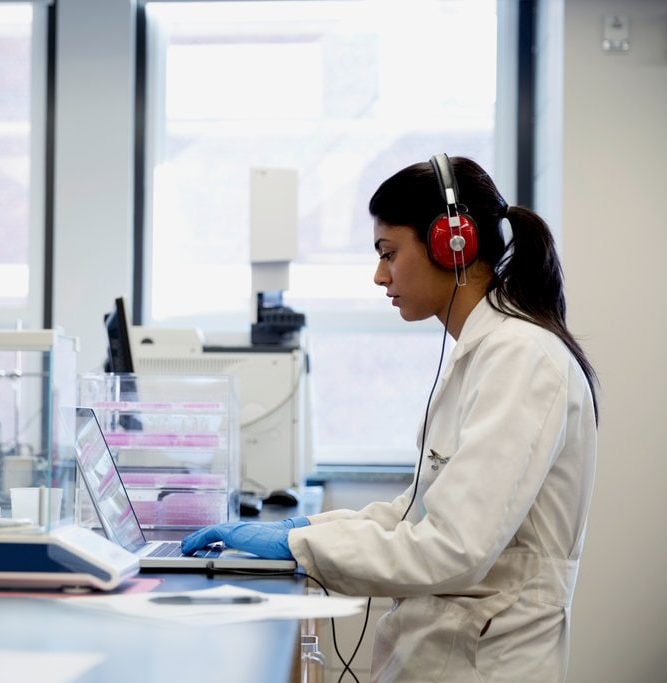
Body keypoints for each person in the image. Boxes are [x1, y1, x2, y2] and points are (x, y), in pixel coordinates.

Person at [181, 155, 598, 682]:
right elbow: (418, 513)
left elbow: (453, 547)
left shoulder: (523, 360)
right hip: (447, 650)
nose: (380, 276)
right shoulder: (487, 353)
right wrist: (304, 527)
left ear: (454, 243)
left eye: (389, 253)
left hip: (487, 662)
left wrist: (299, 547)